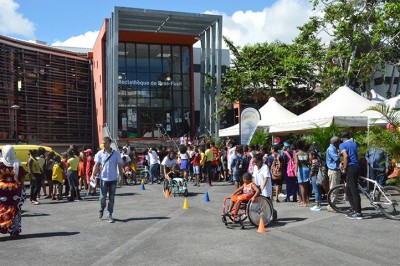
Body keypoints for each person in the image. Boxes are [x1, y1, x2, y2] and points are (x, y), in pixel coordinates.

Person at [91, 137, 123, 223]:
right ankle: (102, 208)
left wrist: (121, 177)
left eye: (105, 143)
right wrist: (93, 174)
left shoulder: (116, 154)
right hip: (103, 179)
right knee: (103, 198)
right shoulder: (99, 153)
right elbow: (96, 165)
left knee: (111, 198)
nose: (103, 144)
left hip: (113, 179)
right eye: (103, 143)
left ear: (109, 143)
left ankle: (109, 214)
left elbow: (119, 165)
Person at [0, 145, 26, 237]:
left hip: (2, 190)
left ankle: (2, 226)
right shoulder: (17, 163)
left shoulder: (0, 163)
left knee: (1, 208)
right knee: (16, 209)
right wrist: (21, 188)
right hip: (15, 190)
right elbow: (22, 178)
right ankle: (14, 231)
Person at [339, 132, 362, 220]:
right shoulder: (354, 144)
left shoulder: (342, 145)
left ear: (342, 138)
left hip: (351, 167)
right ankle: (354, 208)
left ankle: (358, 212)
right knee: (347, 189)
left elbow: (346, 157)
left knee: (353, 190)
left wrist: (344, 168)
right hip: (356, 166)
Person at [326, 136, 341, 212]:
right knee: (334, 188)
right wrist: (340, 153)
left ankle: (332, 204)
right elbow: (337, 159)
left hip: (334, 170)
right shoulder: (331, 149)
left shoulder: (332, 148)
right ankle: (331, 205)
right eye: (338, 142)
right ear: (335, 143)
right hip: (333, 170)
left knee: (334, 188)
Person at [295, 140, 310, 207]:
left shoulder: (297, 154)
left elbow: (297, 163)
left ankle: (304, 202)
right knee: (306, 186)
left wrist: (296, 171)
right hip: (307, 169)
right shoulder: (306, 153)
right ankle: (307, 199)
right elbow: (309, 162)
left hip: (301, 169)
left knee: (301, 186)